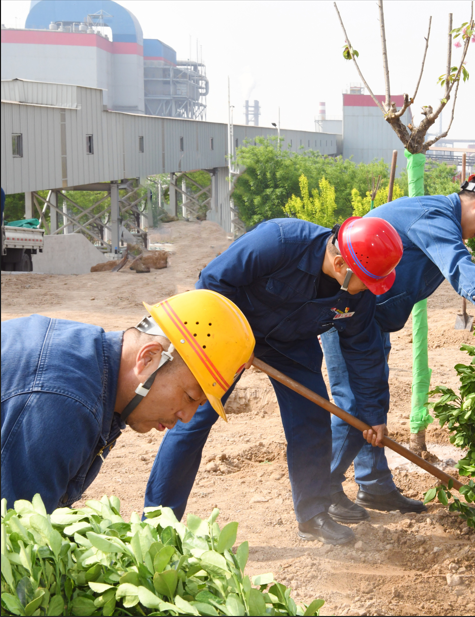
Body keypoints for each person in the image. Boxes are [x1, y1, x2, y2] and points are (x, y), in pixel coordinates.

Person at [145, 217, 403, 546]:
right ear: (340, 264)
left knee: (312, 420)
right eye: (367, 282)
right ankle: (157, 526)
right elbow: (213, 282)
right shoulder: (279, 241)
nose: (369, 289)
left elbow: (364, 352)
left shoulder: (359, 296)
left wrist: (373, 414)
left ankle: (313, 514)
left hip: (292, 345)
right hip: (229, 333)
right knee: (193, 419)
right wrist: (234, 343)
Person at [321, 173, 475, 524]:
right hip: (346, 313)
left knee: (373, 400)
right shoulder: (434, 217)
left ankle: (374, 484)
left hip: (373, 320)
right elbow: (460, 266)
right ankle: (320, 493)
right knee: (353, 405)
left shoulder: (440, 220)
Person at [1, 289, 255, 509]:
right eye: (189, 397)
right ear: (148, 359)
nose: (186, 418)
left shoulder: (98, 371)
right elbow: (16, 538)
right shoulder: (64, 406)